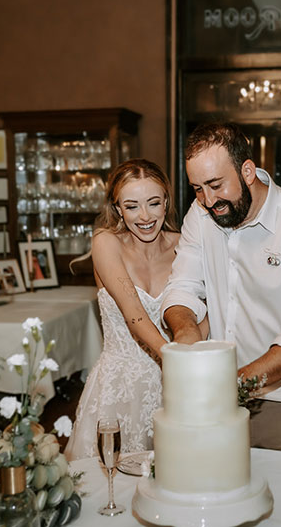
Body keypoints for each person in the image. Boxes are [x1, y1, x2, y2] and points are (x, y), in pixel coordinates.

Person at [162, 123, 281, 454]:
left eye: (216, 185)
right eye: (197, 188)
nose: (208, 200)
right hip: (212, 402)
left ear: (247, 171)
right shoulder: (200, 215)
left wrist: (231, 384)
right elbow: (182, 288)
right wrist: (185, 335)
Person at [65, 159, 205, 460]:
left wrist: (194, 361)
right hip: (118, 389)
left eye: (153, 203)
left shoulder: (186, 246)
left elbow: (204, 313)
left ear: (166, 202)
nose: (144, 216)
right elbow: (134, 314)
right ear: (117, 209)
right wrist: (176, 360)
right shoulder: (106, 243)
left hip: (176, 387)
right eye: (132, 206)